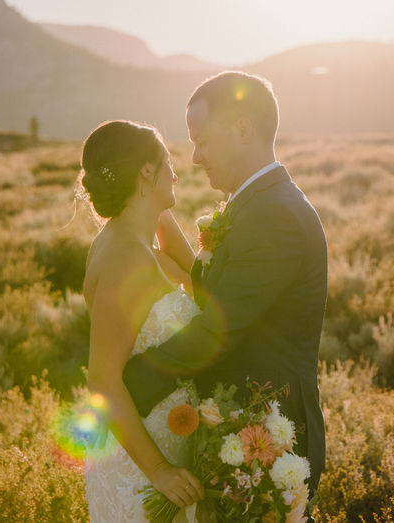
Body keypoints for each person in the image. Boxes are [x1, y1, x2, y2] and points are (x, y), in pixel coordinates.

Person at [123, 71, 329, 497]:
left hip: (271, 440)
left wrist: (125, 383)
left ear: (242, 129)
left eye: (201, 141)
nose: (195, 158)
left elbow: (219, 328)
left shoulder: (275, 216)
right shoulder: (255, 205)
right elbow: (218, 284)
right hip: (239, 429)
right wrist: (152, 209)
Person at [79, 120, 205, 522]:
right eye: (166, 161)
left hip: (165, 442)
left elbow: (196, 279)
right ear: (147, 172)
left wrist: (155, 206)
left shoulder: (131, 242)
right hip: (142, 465)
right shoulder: (127, 258)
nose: (177, 172)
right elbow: (101, 379)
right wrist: (159, 471)